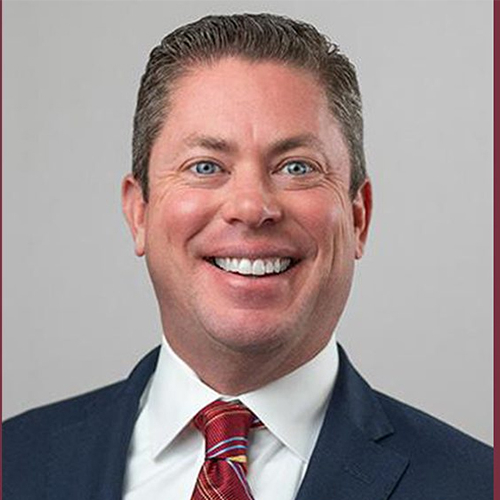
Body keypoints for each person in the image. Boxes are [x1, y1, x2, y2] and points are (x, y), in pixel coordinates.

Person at [3, 13, 492, 500]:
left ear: (358, 217)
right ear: (139, 213)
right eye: (206, 166)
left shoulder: (476, 485)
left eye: (296, 167)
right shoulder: (14, 464)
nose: (251, 207)